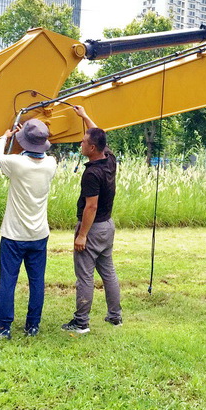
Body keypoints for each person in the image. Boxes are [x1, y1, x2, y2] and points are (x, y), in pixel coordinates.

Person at [0, 119, 57, 339]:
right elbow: (39, 153)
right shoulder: (51, 164)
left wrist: (5, 137)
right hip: (39, 234)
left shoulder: (16, 163)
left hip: (14, 235)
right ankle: (32, 326)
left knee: (8, 280)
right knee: (37, 281)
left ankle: (3, 327)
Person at [61, 106, 122, 334]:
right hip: (108, 227)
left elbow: (91, 206)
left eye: (83, 142)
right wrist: (85, 116)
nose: (81, 143)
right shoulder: (110, 160)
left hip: (93, 228)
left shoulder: (91, 174)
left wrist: (82, 235)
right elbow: (99, 134)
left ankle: (81, 323)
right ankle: (115, 316)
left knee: (85, 276)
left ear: (92, 148)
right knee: (108, 272)